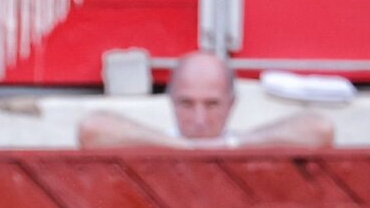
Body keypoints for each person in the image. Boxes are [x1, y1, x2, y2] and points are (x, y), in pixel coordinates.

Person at [78, 51, 334, 149]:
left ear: (231, 104)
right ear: (171, 102)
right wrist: (180, 147)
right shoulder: (156, 144)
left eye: (212, 104)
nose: (199, 120)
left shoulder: (240, 145)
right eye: (187, 104)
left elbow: (320, 129)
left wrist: (231, 145)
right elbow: (92, 129)